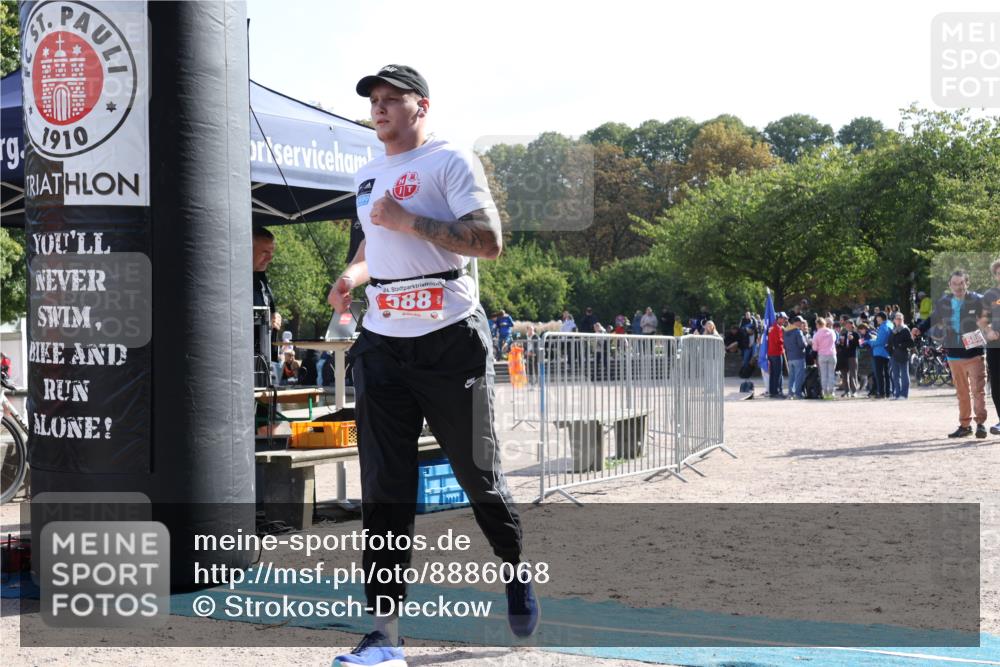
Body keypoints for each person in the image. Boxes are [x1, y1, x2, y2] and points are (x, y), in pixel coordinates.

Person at [326, 65, 537, 665]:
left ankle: (514, 567)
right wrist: (351, 275)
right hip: (382, 342)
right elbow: (372, 244)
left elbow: (489, 241)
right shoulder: (367, 174)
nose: (379, 107)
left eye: (392, 98)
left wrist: (409, 221)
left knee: (477, 474)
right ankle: (385, 634)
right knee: (383, 489)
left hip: (450, 340)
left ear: (421, 105)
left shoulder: (451, 160)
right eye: (374, 99)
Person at [914, 269, 989, 438]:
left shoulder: (978, 300)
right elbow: (933, 318)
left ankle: (980, 424)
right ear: (950, 285)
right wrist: (919, 329)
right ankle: (965, 425)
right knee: (962, 392)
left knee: (978, 390)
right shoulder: (944, 302)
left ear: (967, 283)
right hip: (953, 353)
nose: (958, 287)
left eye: (961, 283)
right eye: (954, 284)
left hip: (974, 352)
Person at [983, 259, 1000, 435]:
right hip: (995, 346)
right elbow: (982, 318)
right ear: (995, 276)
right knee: (996, 384)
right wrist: (988, 331)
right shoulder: (990, 295)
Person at [887, 312, 914, 400]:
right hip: (894, 355)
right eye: (897, 319)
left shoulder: (905, 330)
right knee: (895, 375)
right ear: (894, 320)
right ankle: (897, 394)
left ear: (903, 320)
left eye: (900, 319)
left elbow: (911, 343)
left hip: (903, 354)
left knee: (904, 375)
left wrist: (900, 345)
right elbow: (890, 342)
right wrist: (890, 351)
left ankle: (904, 394)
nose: (898, 320)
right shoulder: (893, 330)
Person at [865, 313, 892, 398]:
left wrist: (869, 341)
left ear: (881, 318)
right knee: (886, 374)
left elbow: (880, 341)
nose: (876, 319)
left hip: (880, 352)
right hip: (886, 352)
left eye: (877, 318)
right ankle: (887, 392)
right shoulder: (890, 324)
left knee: (880, 374)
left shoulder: (883, 327)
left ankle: (881, 393)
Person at [811, 317, 837, 398]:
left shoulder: (816, 334)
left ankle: (825, 393)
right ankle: (831, 393)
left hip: (822, 355)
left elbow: (814, 348)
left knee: (823, 375)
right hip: (832, 354)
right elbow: (834, 340)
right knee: (831, 374)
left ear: (818, 324)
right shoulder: (832, 332)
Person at [784, 316, 808, 399]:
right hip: (799, 356)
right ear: (796, 322)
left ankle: (790, 394)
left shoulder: (786, 331)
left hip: (790, 357)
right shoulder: (798, 331)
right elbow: (802, 344)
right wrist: (806, 343)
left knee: (791, 377)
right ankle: (797, 394)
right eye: (801, 322)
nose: (802, 324)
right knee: (799, 377)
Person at [837, 319, 861, 397]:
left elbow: (860, 345)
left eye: (848, 324)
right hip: (843, 357)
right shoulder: (843, 334)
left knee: (853, 374)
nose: (847, 325)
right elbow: (840, 345)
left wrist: (853, 339)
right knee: (844, 375)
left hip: (852, 356)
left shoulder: (856, 334)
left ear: (852, 325)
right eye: (846, 324)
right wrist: (839, 343)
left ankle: (854, 391)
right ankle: (846, 391)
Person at [767, 312, 788, 398]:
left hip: (771, 353)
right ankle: (777, 391)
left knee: (773, 373)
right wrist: (785, 342)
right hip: (777, 352)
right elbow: (778, 341)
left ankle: (772, 391)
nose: (785, 321)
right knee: (778, 373)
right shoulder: (777, 328)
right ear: (779, 319)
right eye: (784, 319)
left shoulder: (772, 327)